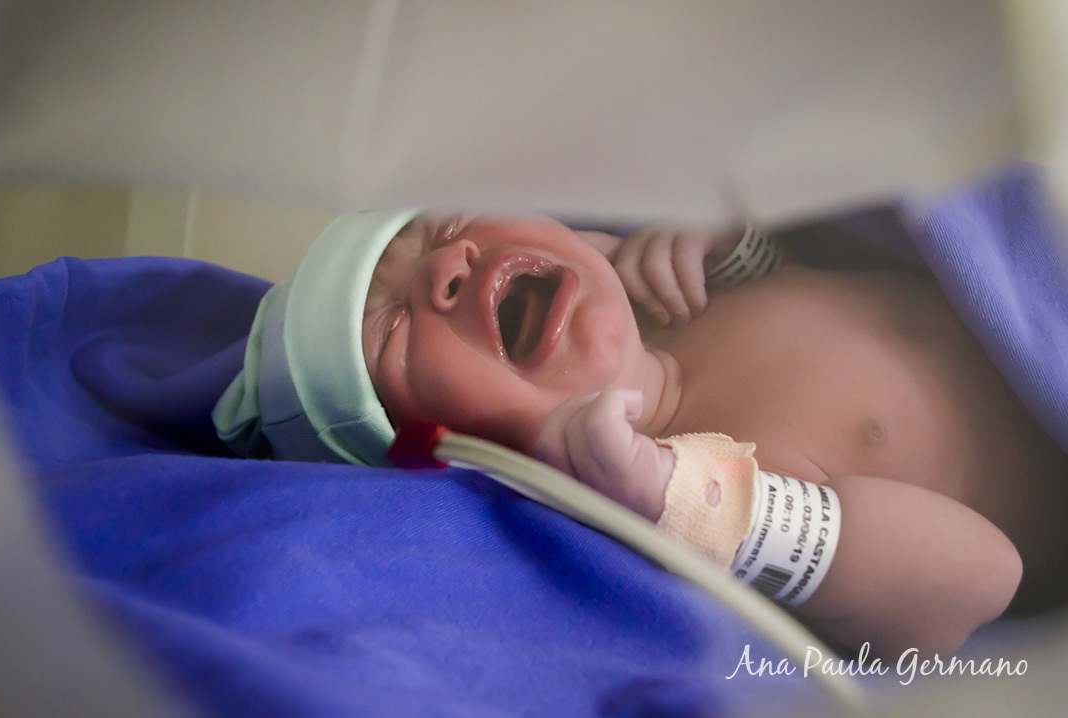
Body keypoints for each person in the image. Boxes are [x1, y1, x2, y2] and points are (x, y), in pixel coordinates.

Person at [213, 208, 1068, 659]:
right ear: (452, 459)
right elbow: (982, 577)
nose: (446, 265)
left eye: (438, 228)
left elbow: (847, 272)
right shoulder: (709, 477)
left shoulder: (675, 303)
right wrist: (695, 507)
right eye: (393, 332)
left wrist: (735, 249)